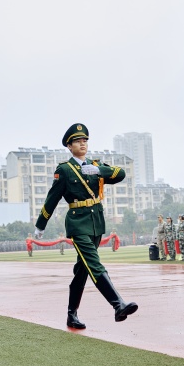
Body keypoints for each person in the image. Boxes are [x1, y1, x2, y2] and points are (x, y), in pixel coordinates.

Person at [33, 123, 138, 329]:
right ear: (69, 146)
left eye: (85, 140)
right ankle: (118, 305)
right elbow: (51, 199)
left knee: (82, 270)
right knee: (94, 262)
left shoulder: (95, 165)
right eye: (78, 141)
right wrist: (41, 224)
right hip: (78, 223)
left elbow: (121, 174)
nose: (83, 144)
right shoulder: (63, 170)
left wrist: (99, 170)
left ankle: (71, 315)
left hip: (96, 223)